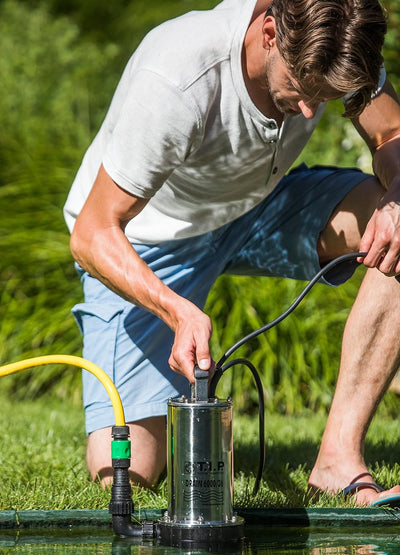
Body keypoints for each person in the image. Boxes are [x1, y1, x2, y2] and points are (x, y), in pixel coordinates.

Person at [64, 0, 400, 505]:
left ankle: (337, 459)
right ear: (269, 33)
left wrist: (397, 193)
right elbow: (92, 233)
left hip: (260, 208)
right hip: (153, 239)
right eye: (305, 89)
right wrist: (173, 309)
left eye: (326, 97)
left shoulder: (337, 39)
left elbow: (390, 132)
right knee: (129, 470)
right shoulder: (178, 76)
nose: (311, 110)